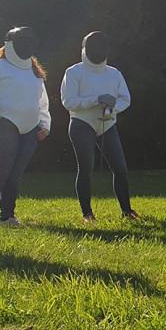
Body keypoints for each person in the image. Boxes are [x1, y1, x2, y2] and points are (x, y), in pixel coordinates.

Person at [0, 27, 50, 227]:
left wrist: (45, 124)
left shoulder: (34, 70)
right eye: (22, 41)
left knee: (15, 175)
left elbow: (42, 101)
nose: (26, 45)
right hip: (3, 122)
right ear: (10, 44)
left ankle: (7, 216)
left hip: (30, 128)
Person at [60, 31, 138, 222]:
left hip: (108, 125)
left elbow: (125, 99)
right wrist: (96, 100)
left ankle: (127, 211)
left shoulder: (114, 73)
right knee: (86, 168)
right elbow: (68, 101)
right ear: (85, 49)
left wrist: (113, 109)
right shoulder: (74, 72)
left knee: (120, 168)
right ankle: (87, 214)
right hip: (82, 124)